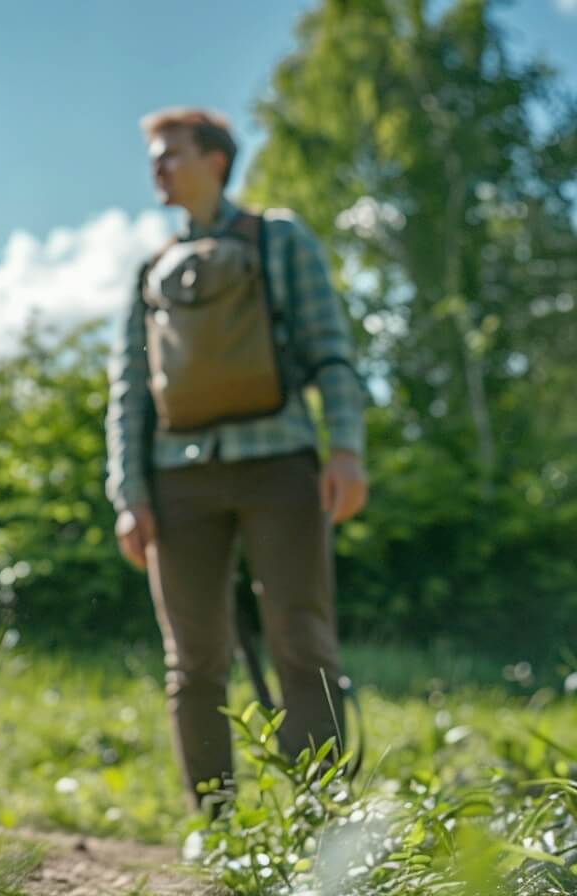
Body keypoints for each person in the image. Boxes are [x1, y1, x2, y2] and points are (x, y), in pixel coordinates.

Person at [104, 107, 368, 811]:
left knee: (302, 643)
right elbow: (130, 388)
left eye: (172, 154)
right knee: (191, 662)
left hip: (280, 464)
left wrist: (344, 450)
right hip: (176, 481)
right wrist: (128, 493)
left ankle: (319, 819)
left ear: (215, 160)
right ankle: (217, 823)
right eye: (154, 157)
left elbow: (329, 351)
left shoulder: (279, 238)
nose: (158, 168)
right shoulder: (150, 269)